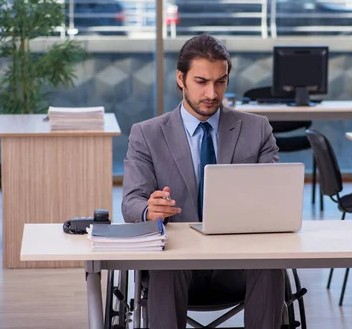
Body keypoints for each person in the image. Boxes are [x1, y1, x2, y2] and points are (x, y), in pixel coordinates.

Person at [122, 34, 285, 329]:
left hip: (239, 260)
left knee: (271, 264)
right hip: (177, 260)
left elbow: (274, 199)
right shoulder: (146, 134)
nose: (211, 93)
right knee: (166, 264)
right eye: (201, 82)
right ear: (180, 78)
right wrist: (149, 209)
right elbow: (131, 202)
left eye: (220, 82)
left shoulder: (256, 129)